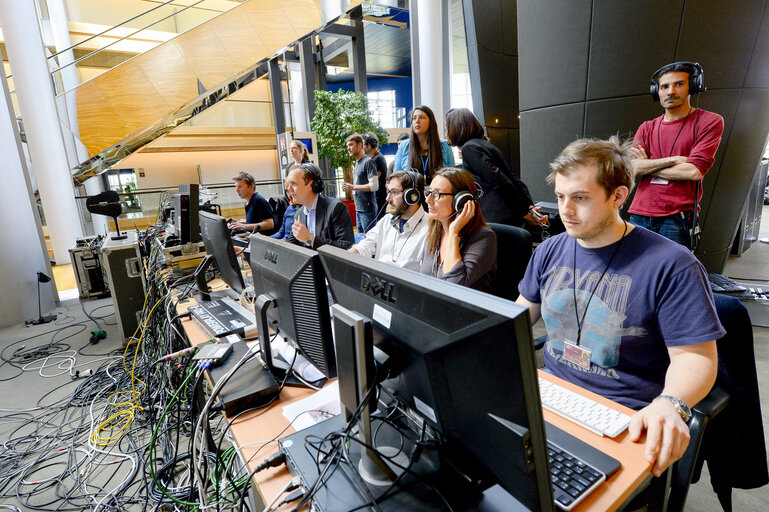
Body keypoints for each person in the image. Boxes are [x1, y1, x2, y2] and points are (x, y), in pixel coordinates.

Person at [516, 136, 723, 479]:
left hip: (624, 413)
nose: (565, 210)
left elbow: (696, 357)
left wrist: (671, 403)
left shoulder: (672, 265)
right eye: (560, 197)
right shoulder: (549, 250)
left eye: (580, 198)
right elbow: (521, 315)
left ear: (618, 196)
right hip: (549, 392)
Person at [629, 62, 724, 248]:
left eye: (679, 84)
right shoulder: (647, 127)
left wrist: (648, 165)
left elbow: (693, 172)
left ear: (693, 86)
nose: (670, 91)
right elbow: (632, 167)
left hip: (677, 216)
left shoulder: (709, 121)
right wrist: (672, 160)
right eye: (664, 86)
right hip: (640, 213)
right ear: (657, 91)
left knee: (674, 274)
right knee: (638, 272)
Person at [444, 107, 547, 227]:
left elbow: (499, 180)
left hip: (497, 218)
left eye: (447, 129)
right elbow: (512, 177)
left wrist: (524, 212)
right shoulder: (486, 145)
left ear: (456, 128)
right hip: (508, 215)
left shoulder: (469, 149)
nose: (446, 134)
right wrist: (528, 206)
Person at [419, 167, 496, 293]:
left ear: (461, 201)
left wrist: (453, 232)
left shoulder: (484, 238)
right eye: (429, 192)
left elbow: (454, 286)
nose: (428, 200)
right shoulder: (435, 232)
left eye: (437, 194)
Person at [350, 170, 429, 271]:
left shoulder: (430, 229)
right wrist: (343, 258)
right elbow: (366, 245)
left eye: (394, 192)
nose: (387, 198)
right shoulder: (386, 220)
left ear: (412, 196)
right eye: (388, 192)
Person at [286, 163, 355, 249]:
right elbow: (291, 244)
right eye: (288, 184)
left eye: (294, 184)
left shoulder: (336, 208)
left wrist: (309, 238)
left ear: (311, 185)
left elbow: (347, 246)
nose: (289, 189)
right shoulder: (299, 214)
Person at [393, 105, 455, 179]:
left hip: (438, 190)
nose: (417, 121)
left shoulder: (444, 145)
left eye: (421, 117)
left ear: (430, 122)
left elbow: (452, 177)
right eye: (414, 118)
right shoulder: (404, 145)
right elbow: (396, 178)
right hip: (412, 190)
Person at [341, 134, 379, 234]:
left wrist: (352, 187)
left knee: (369, 241)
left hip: (367, 209)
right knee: (362, 240)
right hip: (359, 208)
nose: (348, 148)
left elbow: (374, 186)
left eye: (351, 145)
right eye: (347, 146)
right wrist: (349, 187)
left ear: (359, 145)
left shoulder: (368, 162)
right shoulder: (358, 163)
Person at [364, 132, 388, 222]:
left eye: (363, 145)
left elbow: (370, 180)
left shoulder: (377, 159)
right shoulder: (375, 158)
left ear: (369, 146)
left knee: (378, 221)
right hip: (378, 196)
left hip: (379, 197)